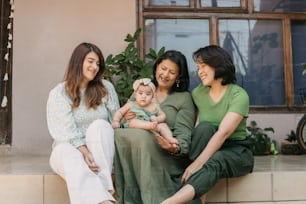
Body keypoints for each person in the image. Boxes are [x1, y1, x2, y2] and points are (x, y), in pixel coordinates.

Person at [161, 45, 254, 204]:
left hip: (236, 150)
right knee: (204, 128)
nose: (200, 72)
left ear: (218, 65)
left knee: (215, 159)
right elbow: (195, 128)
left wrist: (197, 163)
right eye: (198, 68)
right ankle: (197, 199)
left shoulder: (238, 95)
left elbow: (222, 134)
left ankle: (170, 202)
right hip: (208, 145)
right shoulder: (198, 93)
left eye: (203, 66)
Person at [114, 50, 196, 203]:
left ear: (179, 76)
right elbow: (126, 114)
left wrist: (175, 147)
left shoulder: (184, 98)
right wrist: (126, 117)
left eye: (172, 72)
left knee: (141, 136)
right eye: (163, 68)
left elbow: (184, 133)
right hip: (136, 148)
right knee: (118, 134)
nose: (165, 75)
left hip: (164, 152)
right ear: (156, 67)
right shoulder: (143, 90)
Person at [46, 42, 120, 204]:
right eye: (91, 61)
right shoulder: (59, 93)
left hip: (100, 156)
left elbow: (116, 121)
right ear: (78, 62)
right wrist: (85, 152)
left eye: (98, 63)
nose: (95, 67)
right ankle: (104, 198)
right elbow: (64, 132)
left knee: (100, 126)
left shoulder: (105, 88)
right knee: (66, 150)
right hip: (70, 151)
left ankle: (103, 192)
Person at [112, 78, 178, 144]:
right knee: (133, 122)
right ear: (135, 95)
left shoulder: (155, 106)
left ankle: (170, 139)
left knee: (163, 125)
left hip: (152, 126)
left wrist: (157, 119)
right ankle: (148, 125)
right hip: (135, 125)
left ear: (152, 97)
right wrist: (116, 121)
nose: (144, 96)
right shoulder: (131, 104)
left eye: (148, 94)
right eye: (140, 93)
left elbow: (163, 115)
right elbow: (119, 112)